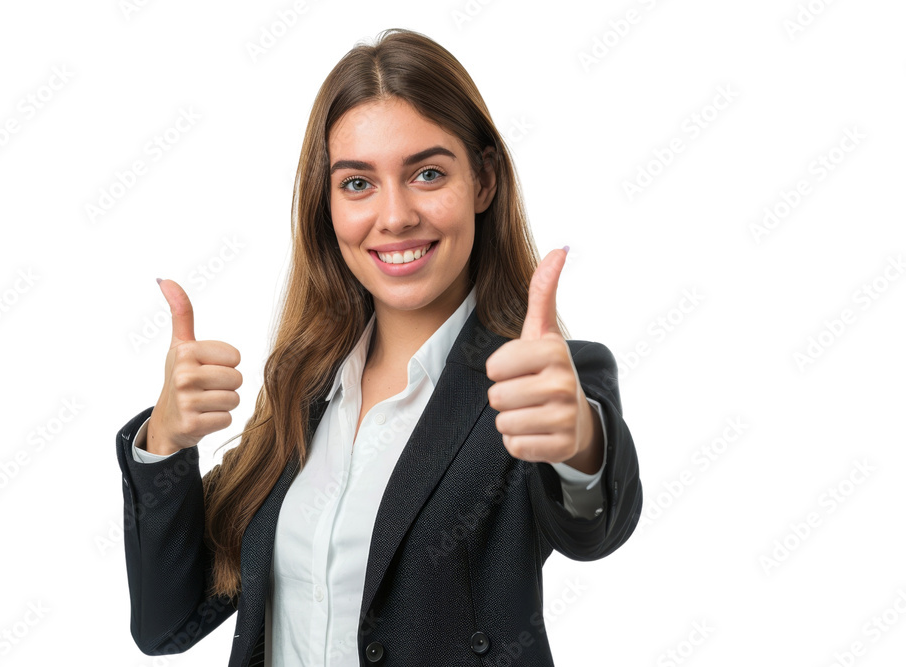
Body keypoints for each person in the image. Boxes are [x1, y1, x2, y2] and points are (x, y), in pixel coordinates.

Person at [115, 27, 642, 667]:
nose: (394, 216)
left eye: (427, 173)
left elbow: (595, 527)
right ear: (327, 204)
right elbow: (165, 624)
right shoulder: (303, 388)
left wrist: (579, 441)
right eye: (358, 184)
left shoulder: (534, 383)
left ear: (483, 181)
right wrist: (166, 442)